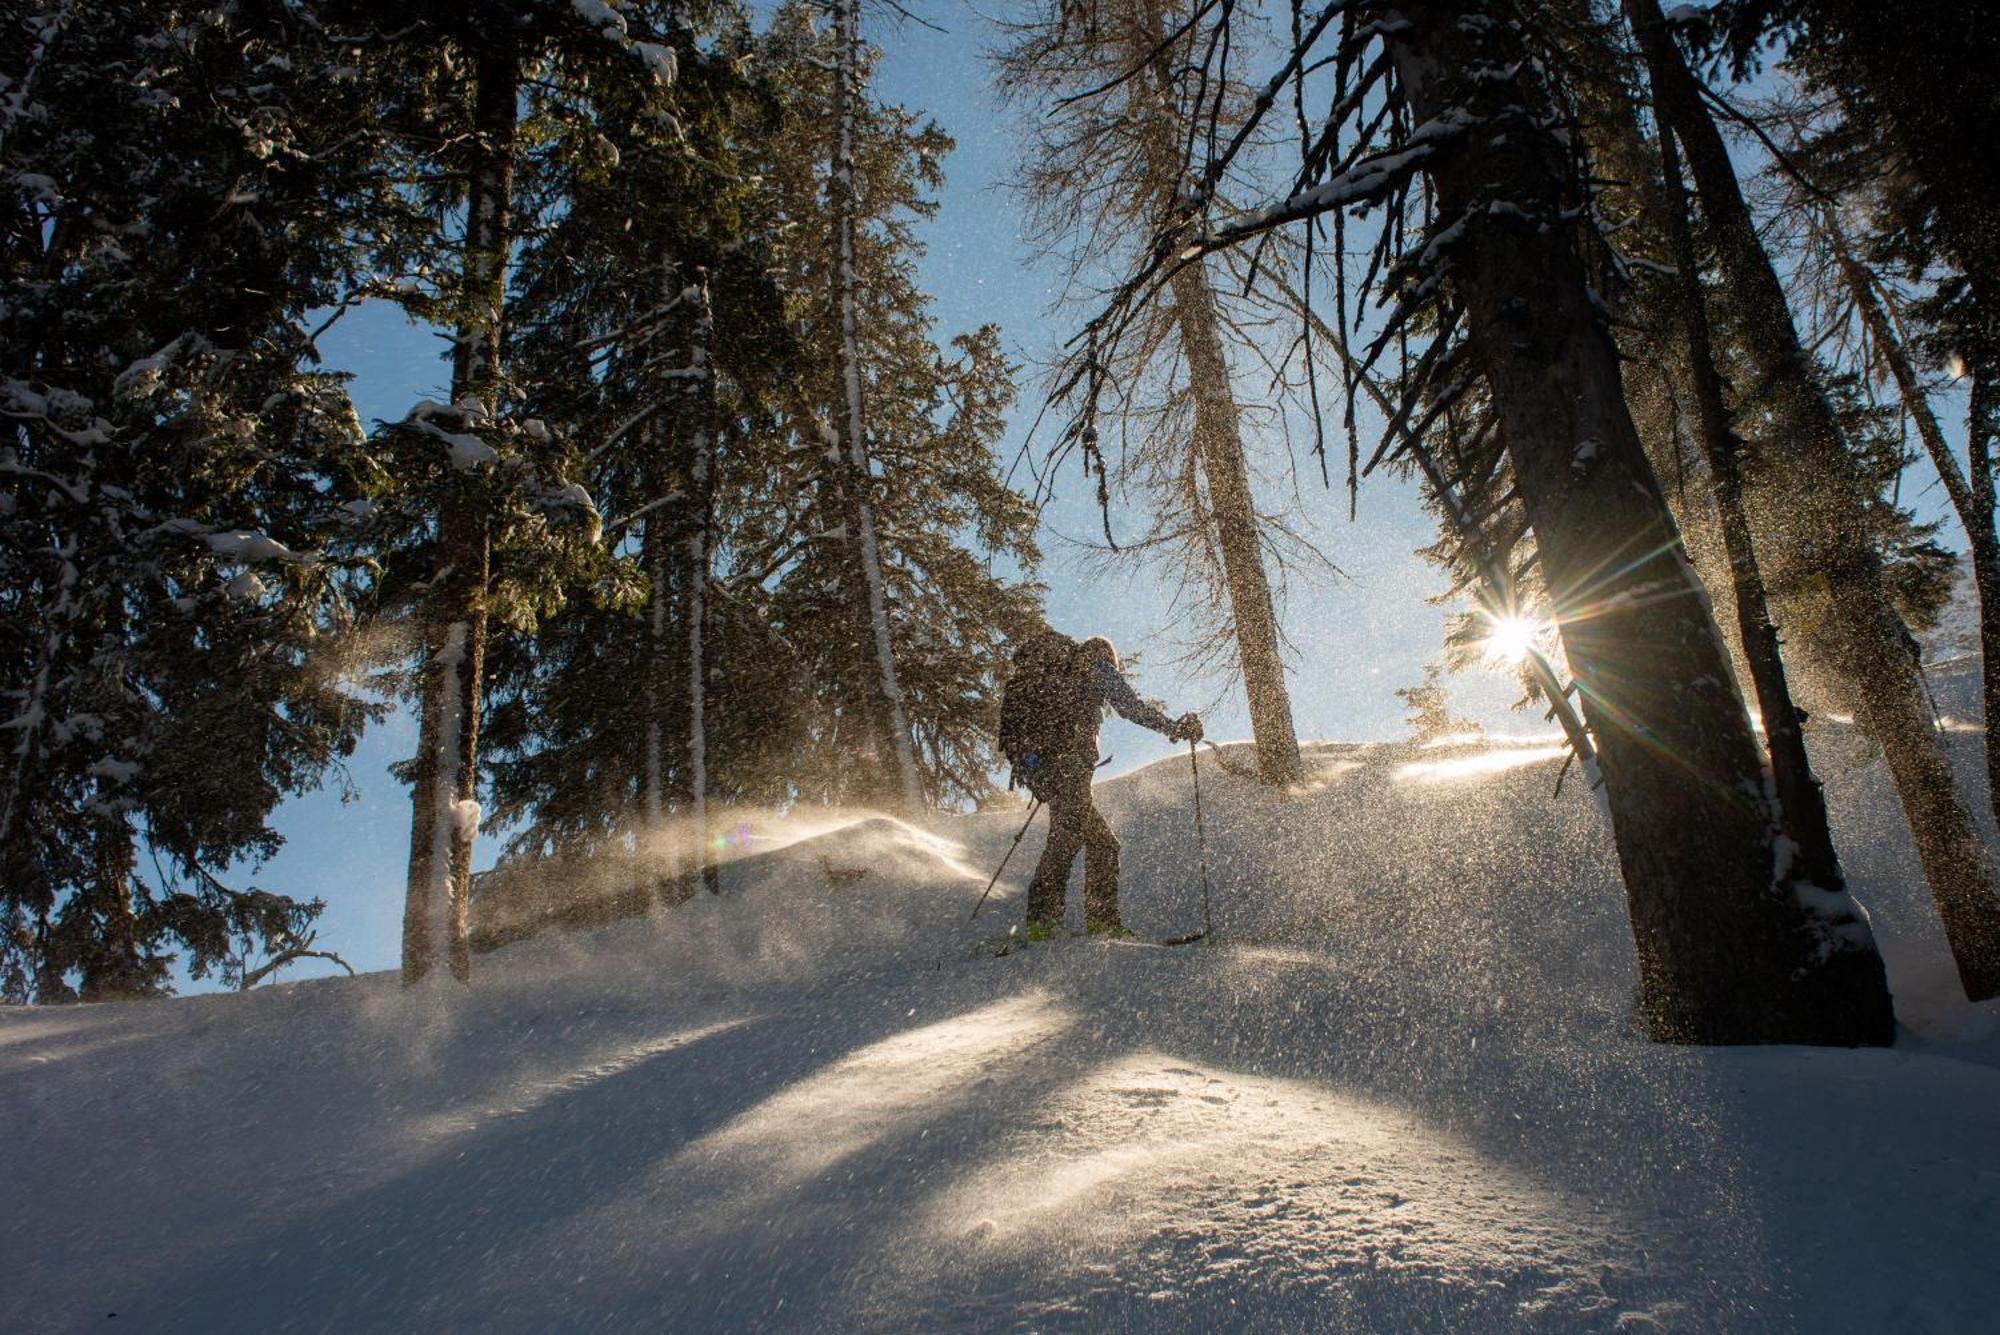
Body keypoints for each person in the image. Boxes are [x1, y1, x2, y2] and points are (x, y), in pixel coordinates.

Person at [998, 629, 1202, 940]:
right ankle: (1076, 923)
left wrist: (1039, 771)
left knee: (1076, 840)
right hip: (1069, 770)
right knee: (1079, 842)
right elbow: (1130, 707)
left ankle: (1051, 922)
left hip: (1051, 772)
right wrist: (1173, 727)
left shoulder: (1056, 677)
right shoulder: (1096, 666)